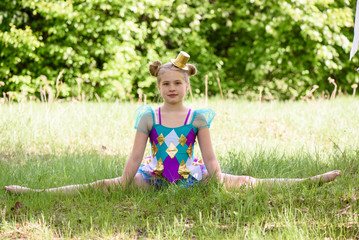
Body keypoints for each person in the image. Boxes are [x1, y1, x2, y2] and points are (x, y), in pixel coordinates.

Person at [5, 51, 341, 194]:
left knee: (244, 182)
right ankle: (37, 191)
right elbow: (136, 157)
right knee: (102, 186)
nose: (171, 88)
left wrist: (216, 177)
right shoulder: (149, 116)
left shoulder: (198, 118)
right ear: (159, 86)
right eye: (166, 84)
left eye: (177, 84)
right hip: (153, 176)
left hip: (191, 175)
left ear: (187, 85)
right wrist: (126, 179)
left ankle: (308, 180)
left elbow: (209, 157)